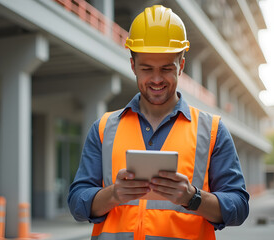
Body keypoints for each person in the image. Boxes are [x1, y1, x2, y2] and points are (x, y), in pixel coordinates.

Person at [68, 5, 249, 240]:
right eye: (146, 69)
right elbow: (77, 203)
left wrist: (192, 198)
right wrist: (114, 194)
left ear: (181, 66)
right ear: (132, 65)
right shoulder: (104, 128)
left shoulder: (212, 130)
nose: (156, 79)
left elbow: (239, 208)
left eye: (166, 69)